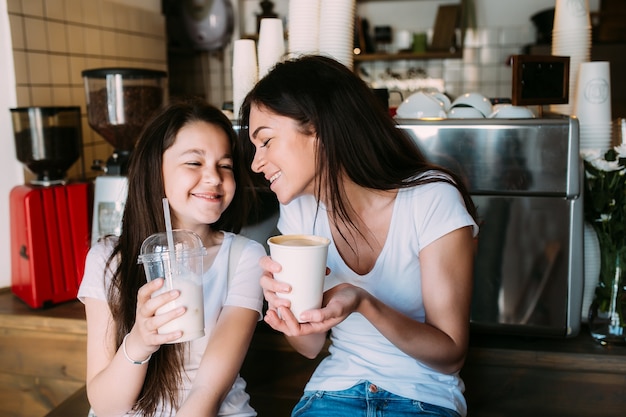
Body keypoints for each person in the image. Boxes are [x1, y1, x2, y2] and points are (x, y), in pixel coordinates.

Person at [238, 55, 479, 417]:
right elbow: (308, 346)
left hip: (421, 396)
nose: (256, 163)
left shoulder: (431, 198)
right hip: (332, 392)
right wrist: (287, 312)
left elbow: (450, 355)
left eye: (266, 141)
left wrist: (363, 302)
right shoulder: (300, 210)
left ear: (318, 128)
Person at [78, 98, 265, 417]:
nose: (214, 177)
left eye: (225, 165)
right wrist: (140, 341)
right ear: (155, 169)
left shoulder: (244, 257)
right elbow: (106, 407)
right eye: (194, 163)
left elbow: (208, 391)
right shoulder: (108, 259)